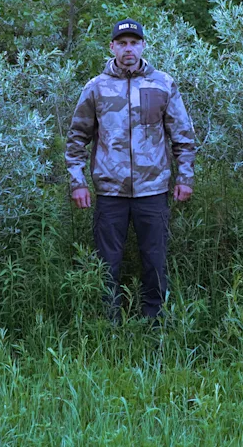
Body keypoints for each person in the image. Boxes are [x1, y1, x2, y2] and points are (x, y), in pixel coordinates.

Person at [64, 18, 196, 321]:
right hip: (110, 190)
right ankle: (108, 326)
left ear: (143, 46)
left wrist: (185, 177)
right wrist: (77, 182)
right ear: (112, 47)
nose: (128, 49)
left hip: (154, 190)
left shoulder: (162, 83)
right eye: (122, 43)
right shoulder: (96, 88)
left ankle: (155, 322)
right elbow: (77, 138)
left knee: (154, 260)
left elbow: (183, 135)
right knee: (107, 262)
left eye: (134, 43)